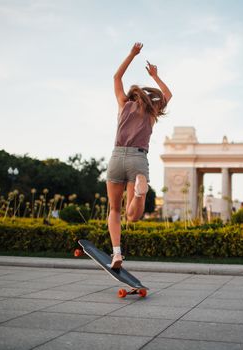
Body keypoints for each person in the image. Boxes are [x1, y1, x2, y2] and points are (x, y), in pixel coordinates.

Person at [106, 42, 172, 269]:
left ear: (132, 95)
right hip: (138, 158)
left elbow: (116, 77)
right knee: (132, 216)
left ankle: (116, 253)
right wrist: (155, 75)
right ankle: (138, 194)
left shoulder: (123, 104)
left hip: (117, 157)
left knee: (114, 210)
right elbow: (167, 94)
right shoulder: (152, 111)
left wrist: (132, 54)